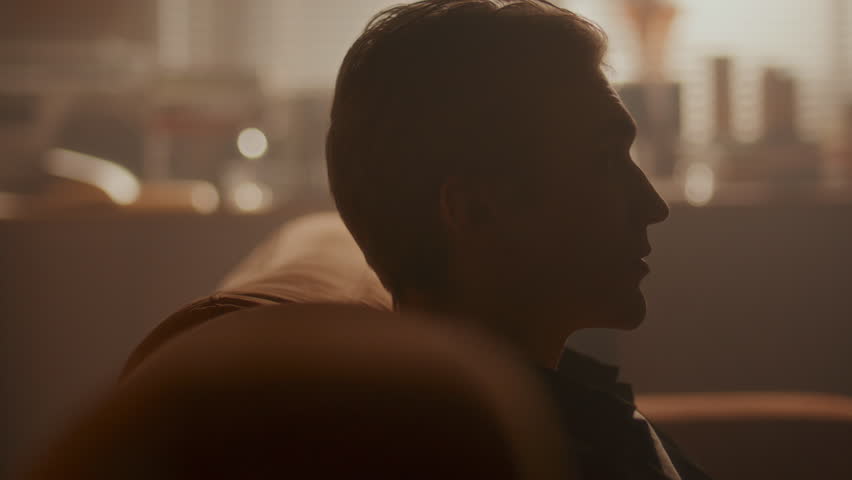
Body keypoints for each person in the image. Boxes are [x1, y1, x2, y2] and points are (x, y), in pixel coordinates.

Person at [326, 1, 708, 478]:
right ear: (472, 210)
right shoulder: (495, 454)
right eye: (605, 162)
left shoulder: (556, 406)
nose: (655, 207)